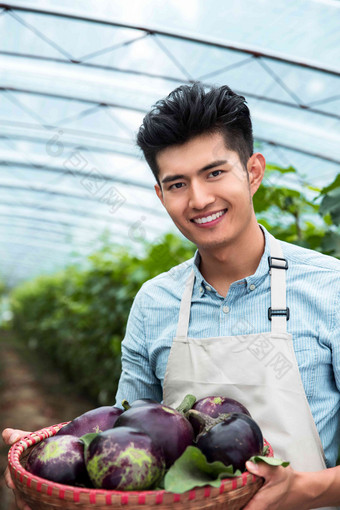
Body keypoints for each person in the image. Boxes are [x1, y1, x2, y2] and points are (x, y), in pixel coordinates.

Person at [3, 83, 340, 510]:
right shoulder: (154, 302)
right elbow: (123, 430)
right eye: (177, 183)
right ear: (161, 196)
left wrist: (303, 489)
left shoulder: (330, 289)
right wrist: (56, 454)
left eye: (215, 173)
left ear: (253, 171)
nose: (199, 199)